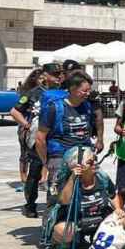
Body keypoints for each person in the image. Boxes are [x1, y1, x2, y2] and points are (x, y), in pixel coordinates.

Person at [36, 70, 100, 205]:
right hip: (60, 157)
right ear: (72, 89)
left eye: (89, 90)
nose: (88, 94)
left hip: (84, 156)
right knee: (58, 198)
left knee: (84, 195)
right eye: (84, 91)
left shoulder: (87, 106)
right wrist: (46, 162)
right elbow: (40, 138)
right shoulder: (55, 108)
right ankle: (54, 223)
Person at [12, 62, 62, 218]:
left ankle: (56, 203)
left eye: (60, 74)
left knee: (58, 172)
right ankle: (30, 204)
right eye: (55, 74)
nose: (58, 78)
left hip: (57, 137)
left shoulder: (64, 92)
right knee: (35, 171)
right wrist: (26, 124)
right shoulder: (34, 93)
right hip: (38, 136)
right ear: (45, 76)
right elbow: (14, 111)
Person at [50, 145, 122, 247]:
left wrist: (118, 209)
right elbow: (64, 201)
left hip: (99, 219)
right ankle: (64, 245)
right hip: (76, 222)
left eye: (95, 160)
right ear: (77, 166)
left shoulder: (102, 177)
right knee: (63, 230)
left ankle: (100, 242)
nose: (95, 164)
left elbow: (113, 195)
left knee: (121, 219)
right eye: (90, 162)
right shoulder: (67, 180)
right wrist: (73, 178)